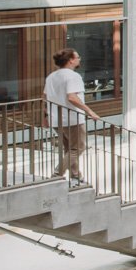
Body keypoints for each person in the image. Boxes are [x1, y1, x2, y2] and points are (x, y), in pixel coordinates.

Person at [44, 48, 92, 185]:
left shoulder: (51, 76)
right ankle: (57, 174)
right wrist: (90, 111)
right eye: (77, 57)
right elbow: (72, 97)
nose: (79, 59)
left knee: (69, 150)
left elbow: (45, 96)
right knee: (78, 149)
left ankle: (76, 175)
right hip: (72, 119)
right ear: (70, 60)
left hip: (56, 119)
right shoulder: (73, 76)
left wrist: (46, 116)